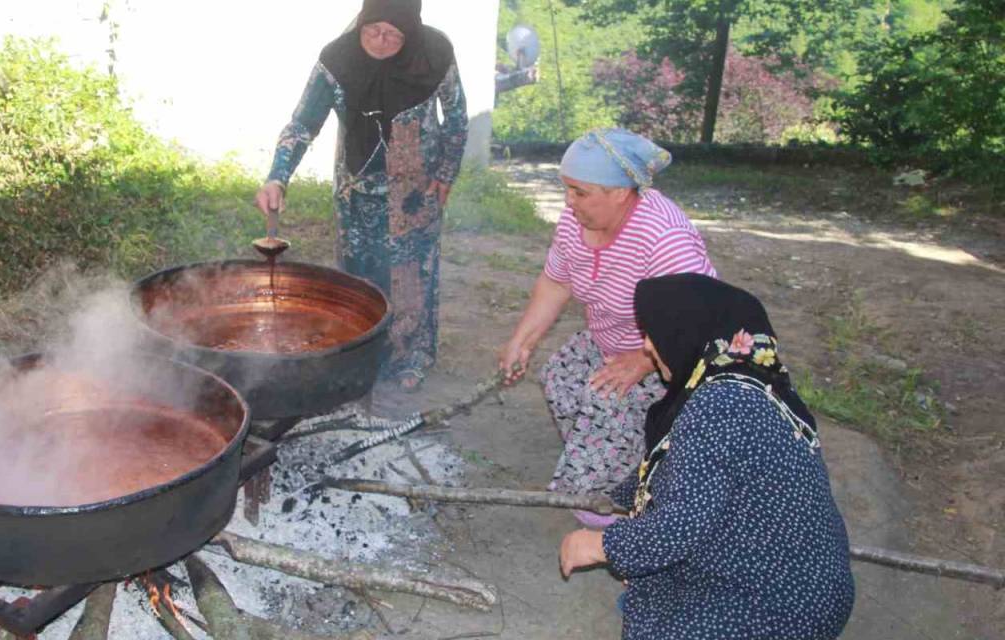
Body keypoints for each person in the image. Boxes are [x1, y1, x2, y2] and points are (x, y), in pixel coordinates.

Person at [559, 273, 855, 639]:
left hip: (781, 603)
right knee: (649, 579)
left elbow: (677, 527)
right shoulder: (751, 382)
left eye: (655, 334)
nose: (648, 346)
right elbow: (678, 468)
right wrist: (613, 498)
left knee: (656, 620)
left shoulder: (719, 407)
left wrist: (598, 545)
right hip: (808, 580)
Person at [497, 128, 715, 525]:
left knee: (603, 406)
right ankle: (611, 455)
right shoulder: (572, 224)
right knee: (561, 377)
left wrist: (644, 359)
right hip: (608, 340)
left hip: (669, 361)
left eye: (580, 192)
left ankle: (621, 507)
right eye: (566, 188)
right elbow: (557, 282)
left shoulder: (664, 238)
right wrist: (521, 341)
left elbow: (700, 320)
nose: (568, 201)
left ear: (619, 192)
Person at [255, 0, 467, 391]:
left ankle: (409, 359)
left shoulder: (434, 52)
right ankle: (361, 355)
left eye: (394, 34)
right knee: (357, 274)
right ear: (361, 24)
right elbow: (302, 123)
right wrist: (277, 177)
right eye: (373, 30)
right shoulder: (337, 60)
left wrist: (446, 172)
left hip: (416, 193)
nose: (382, 41)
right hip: (357, 189)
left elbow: (455, 117)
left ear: (412, 32)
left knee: (411, 273)